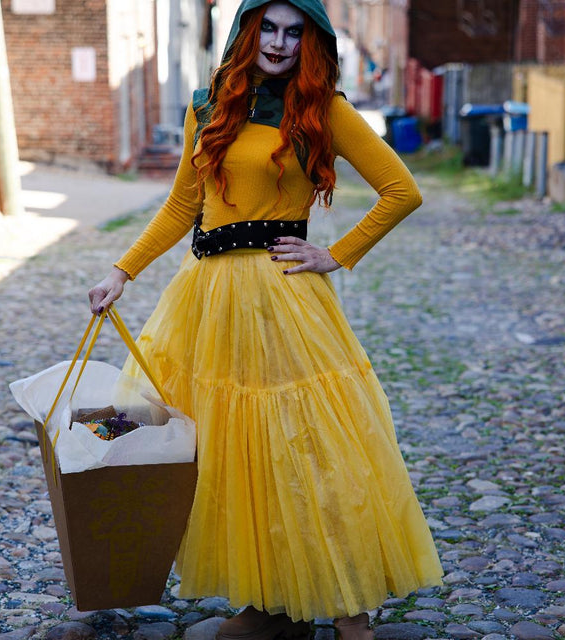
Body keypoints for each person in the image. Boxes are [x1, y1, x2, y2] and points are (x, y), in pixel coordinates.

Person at [88, 0, 443, 638]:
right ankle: (269, 602)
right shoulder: (208, 106)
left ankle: (349, 610)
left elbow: (402, 190)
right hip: (209, 298)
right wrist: (122, 270)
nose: (278, 43)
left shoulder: (322, 109)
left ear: (310, 40)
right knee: (229, 449)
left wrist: (334, 255)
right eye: (267, 28)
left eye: (293, 31)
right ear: (247, 32)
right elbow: (182, 206)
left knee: (308, 445)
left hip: (283, 296)